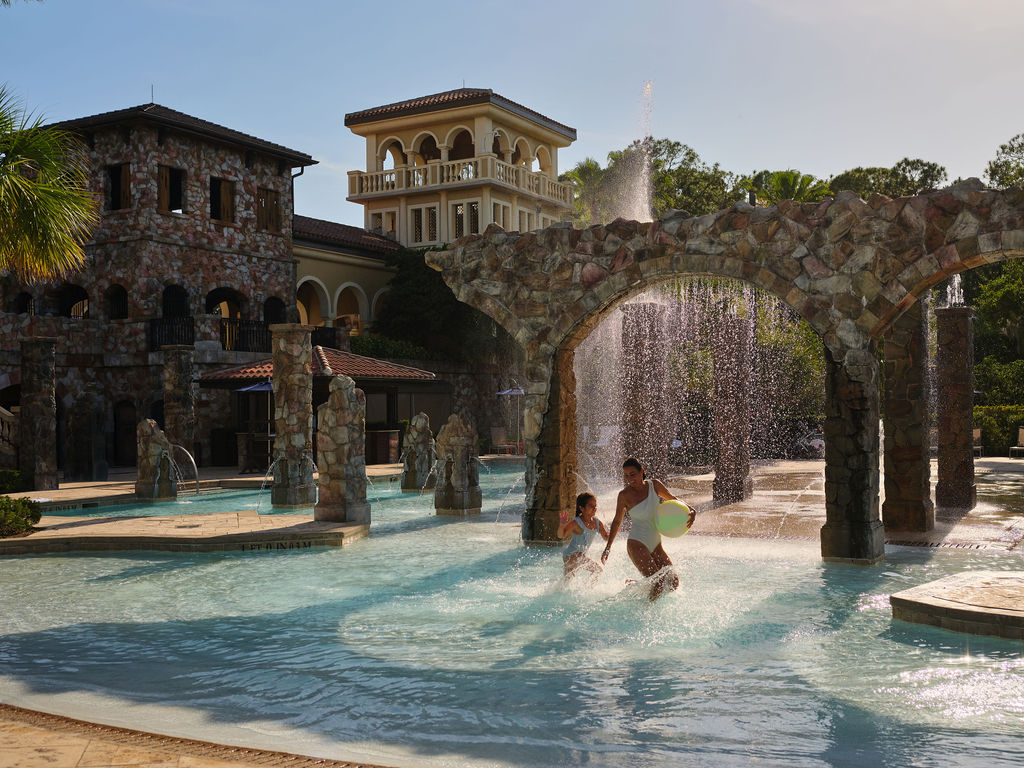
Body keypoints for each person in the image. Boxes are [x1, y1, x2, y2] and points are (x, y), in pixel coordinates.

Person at [602, 457, 694, 600]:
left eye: (632, 474)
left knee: (673, 583)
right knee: (658, 583)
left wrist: (690, 510)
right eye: (626, 475)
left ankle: (634, 585)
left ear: (641, 472)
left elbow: (673, 499)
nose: (629, 479)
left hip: (656, 544)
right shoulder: (624, 495)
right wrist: (608, 547)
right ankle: (646, 611)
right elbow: (617, 521)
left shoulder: (654, 485)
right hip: (636, 543)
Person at [558, 491, 610, 580]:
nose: (594, 508)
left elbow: (606, 537)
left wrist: (612, 533)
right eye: (591, 506)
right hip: (570, 555)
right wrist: (562, 525)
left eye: (595, 506)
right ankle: (588, 588)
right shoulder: (576, 522)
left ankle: (586, 587)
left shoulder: (597, 523)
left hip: (580, 556)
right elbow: (561, 535)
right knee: (597, 570)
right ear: (581, 508)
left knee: (567, 582)